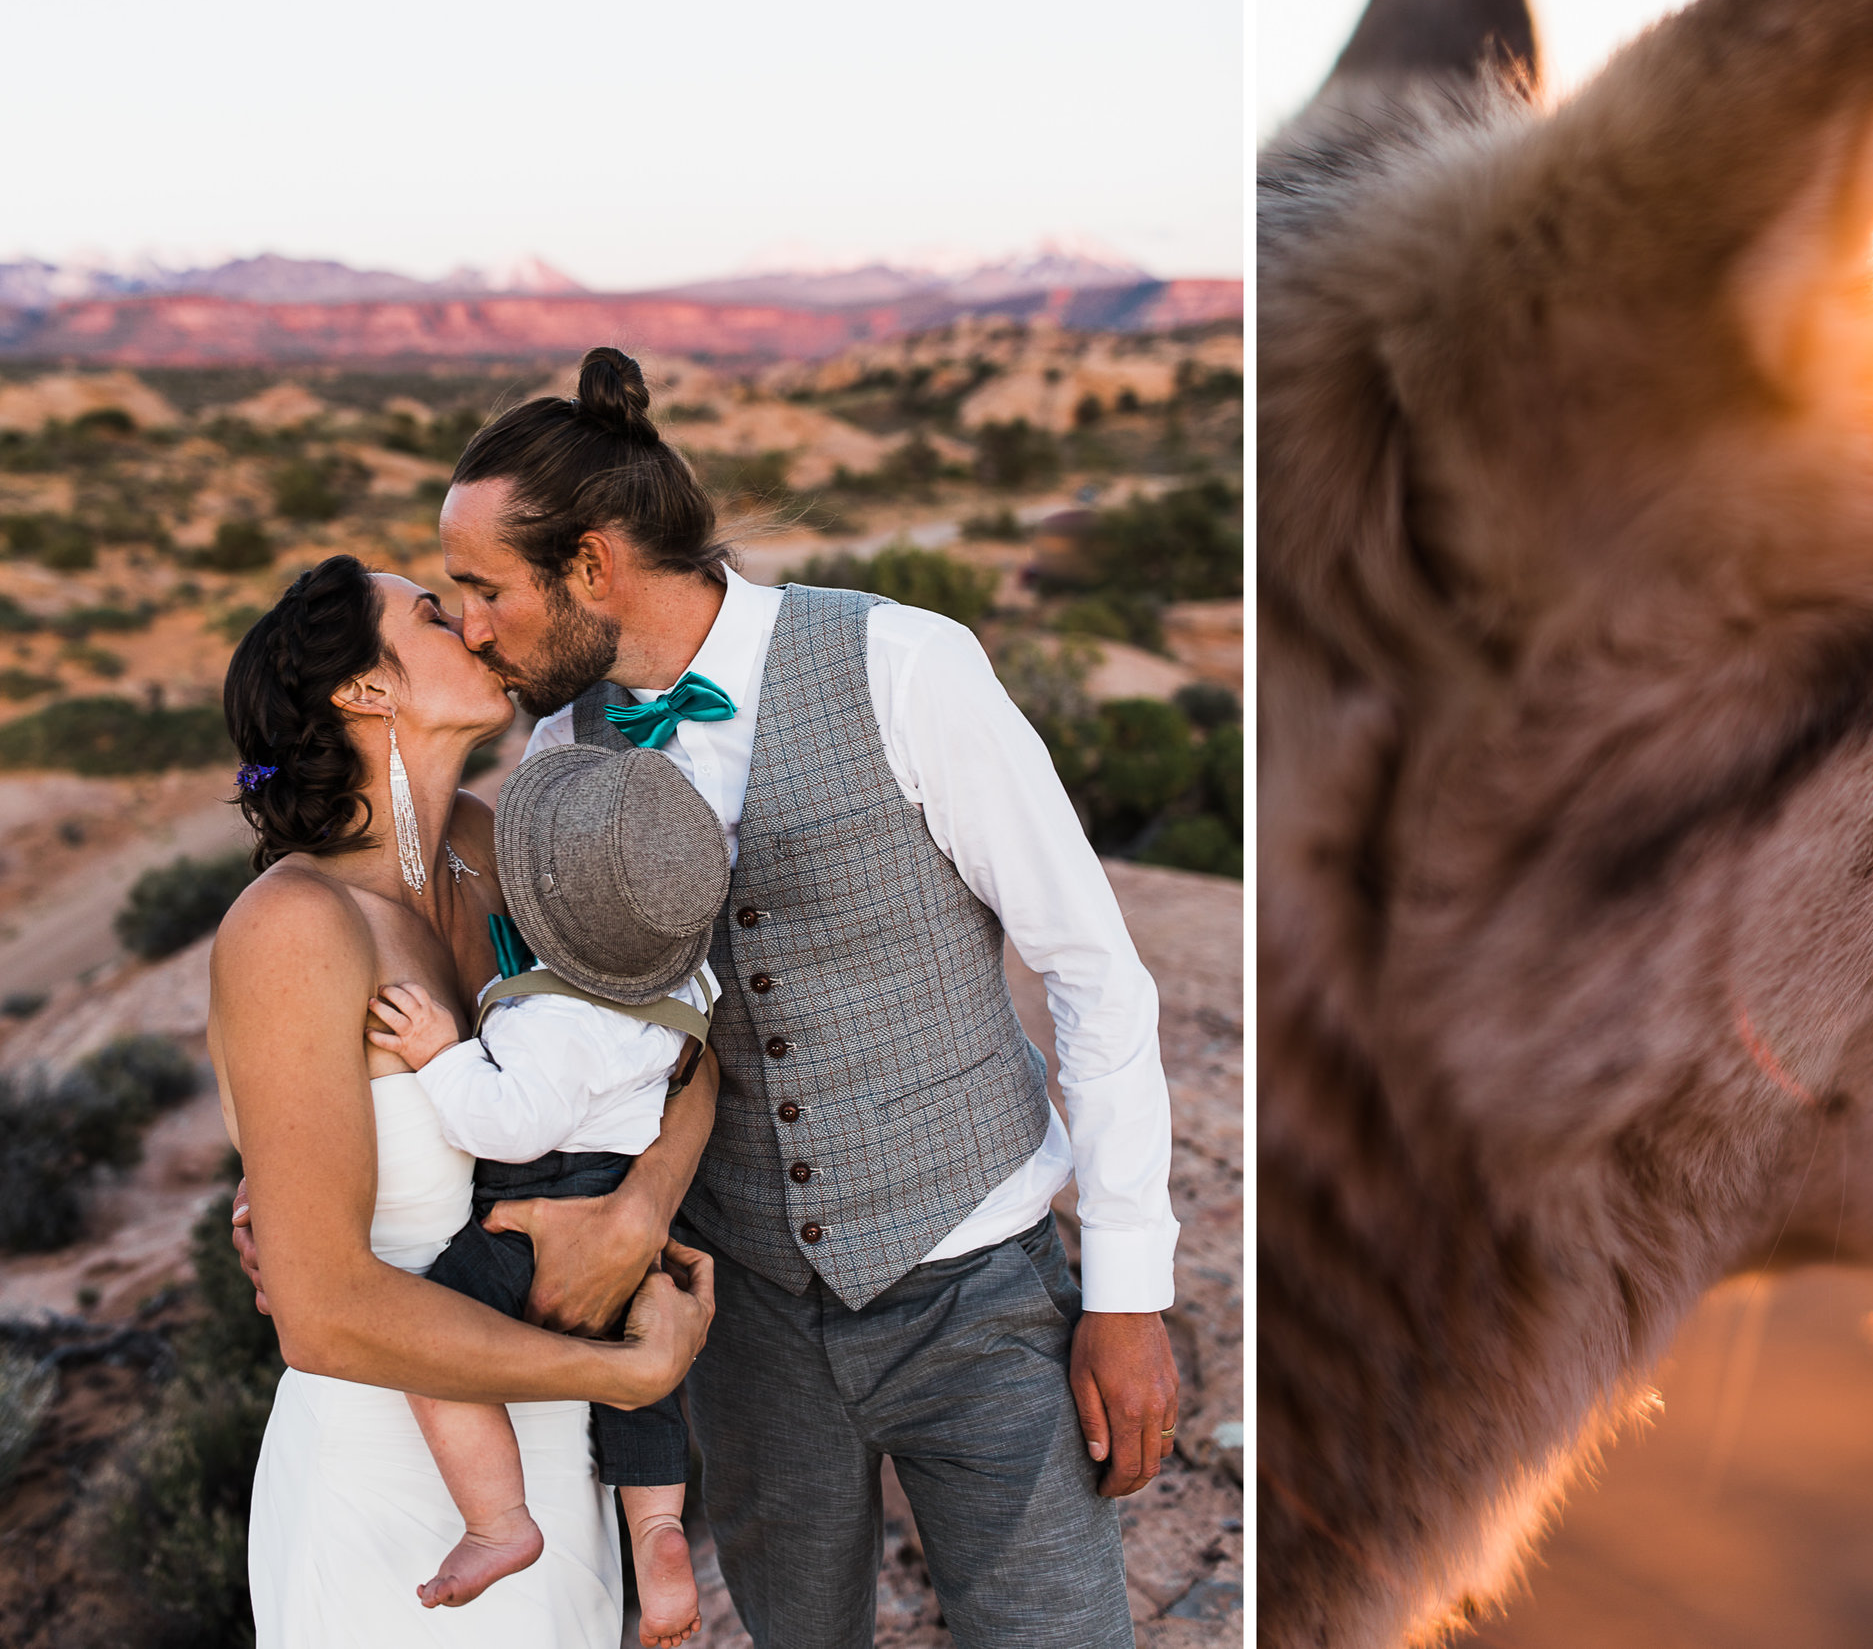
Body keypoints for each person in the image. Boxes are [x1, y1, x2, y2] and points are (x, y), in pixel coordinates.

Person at [439, 345, 1180, 1646]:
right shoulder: (562, 756)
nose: (471, 625)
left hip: (980, 1291)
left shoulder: (905, 663)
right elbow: (557, 1032)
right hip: (746, 1317)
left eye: (484, 588)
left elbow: (1092, 967)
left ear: (595, 562)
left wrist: (1126, 1290)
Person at [209, 553, 714, 1649]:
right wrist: (630, 1369)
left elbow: (680, 1044)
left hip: (559, 1453)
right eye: (437, 618)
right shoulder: (294, 928)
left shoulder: (500, 848)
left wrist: (637, 1215)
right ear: (367, 690)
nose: (479, 630)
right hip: (395, 1486)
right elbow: (323, 1309)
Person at [364, 742, 732, 1644]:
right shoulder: (683, 987)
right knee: (636, 1380)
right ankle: (655, 1529)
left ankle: (498, 1518)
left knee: (426, 1337)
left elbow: (506, 1126)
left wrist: (442, 1055)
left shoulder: (555, 1021)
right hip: (624, 1198)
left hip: (530, 1211)